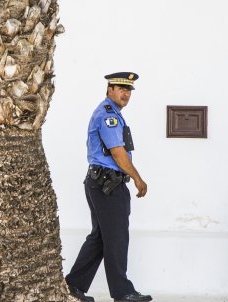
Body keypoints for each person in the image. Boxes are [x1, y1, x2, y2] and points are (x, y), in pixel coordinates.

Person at [65, 72, 152, 302]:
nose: (125, 93)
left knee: (100, 238)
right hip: (108, 184)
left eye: (128, 90)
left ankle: (73, 286)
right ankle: (123, 293)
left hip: (101, 183)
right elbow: (118, 153)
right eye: (121, 88)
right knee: (116, 237)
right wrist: (137, 178)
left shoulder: (110, 114)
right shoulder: (108, 116)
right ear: (109, 89)